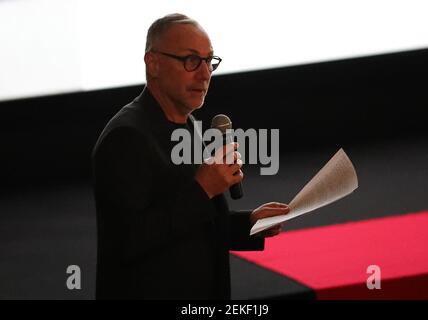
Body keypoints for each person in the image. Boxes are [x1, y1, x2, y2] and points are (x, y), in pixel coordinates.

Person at [92, 13, 289, 300]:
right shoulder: (125, 138)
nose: (205, 73)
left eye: (209, 61)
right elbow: (128, 241)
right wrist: (204, 188)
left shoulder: (190, 125)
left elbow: (194, 223)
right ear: (153, 63)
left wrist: (250, 224)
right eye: (191, 61)